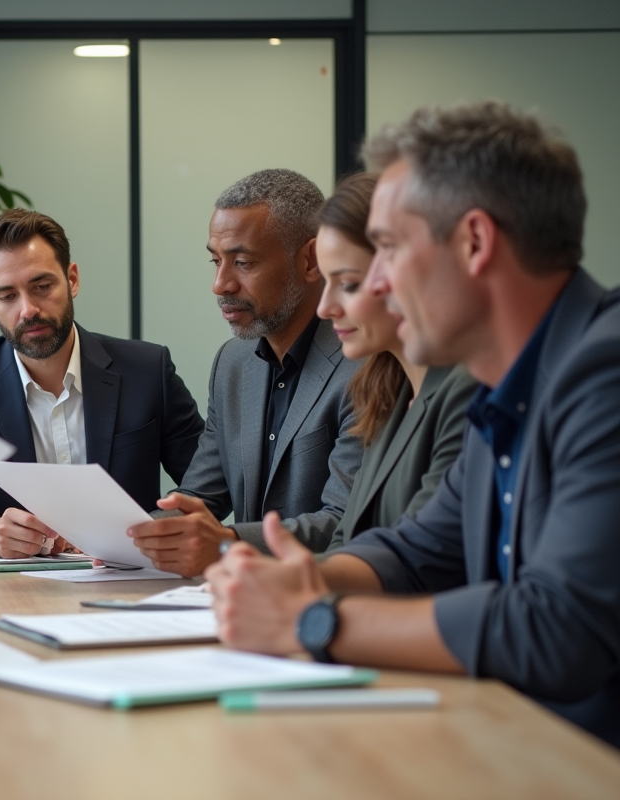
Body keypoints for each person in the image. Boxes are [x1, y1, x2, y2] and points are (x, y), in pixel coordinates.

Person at [207, 101, 620, 748]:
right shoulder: (508, 384)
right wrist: (297, 579)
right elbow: (418, 550)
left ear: (475, 242)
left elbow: (559, 629)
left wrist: (314, 620)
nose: (376, 282)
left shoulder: (605, 372)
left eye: (391, 248)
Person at [0, 210, 204, 557]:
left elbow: (208, 484)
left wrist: (147, 534)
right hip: (14, 585)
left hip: (131, 577)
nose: (28, 309)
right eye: (7, 296)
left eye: (42, 287)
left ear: (72, 279)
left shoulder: (147, 370)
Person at [127, 169, 363, 577]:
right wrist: (127, 536)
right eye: (216, 261)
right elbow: (200, 496)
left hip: (325, 595)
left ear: (311, 260)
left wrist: (226, 542)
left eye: (242, 263)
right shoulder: (232, 363)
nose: (220, 285)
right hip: (243, 596)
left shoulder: (365, 365)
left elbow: (344, 521)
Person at [314, 173, 478, 550]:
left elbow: (418, 553)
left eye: (348, 284)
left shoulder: (464, 389)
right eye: (325, 282)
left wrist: (295, 576)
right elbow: (345, 539)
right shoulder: (384, 390)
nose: (324, 307)